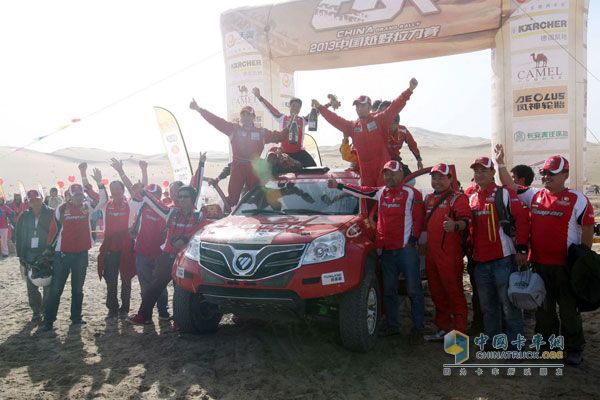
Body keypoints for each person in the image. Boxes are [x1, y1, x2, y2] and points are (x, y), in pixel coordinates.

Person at [495, 146, 595, 365]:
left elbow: (587, 230)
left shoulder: (578, 199)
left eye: (552, 173)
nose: (546, 177)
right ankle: (546, 347)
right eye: (544, 173)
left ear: (565, 175)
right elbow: (510, 186)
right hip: (539, 266)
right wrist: (500, 163)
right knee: (544, 310)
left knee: (569, 311)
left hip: (566, 268)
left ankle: (573, 348)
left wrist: (582, 263)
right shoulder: (535, 196)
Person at [327, 160, 425, 344]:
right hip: (387, 251)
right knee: (389, 290)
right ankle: (393, 326)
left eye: (392, 173)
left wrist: (413, 239)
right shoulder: (381, 192)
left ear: (401, 175)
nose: (389, 177)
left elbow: (419, 219)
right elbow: (361, 190)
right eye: (386, 173)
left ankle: (418, 326)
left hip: (406, 251)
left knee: (414, 290)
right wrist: (338, 185)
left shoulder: (412, 194)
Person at [129, 153, 210, 325]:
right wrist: (141, 190)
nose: (181, 200)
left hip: (187, 259)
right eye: (179, 197)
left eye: (185, 197)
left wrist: (201, 164)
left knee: (182, 289)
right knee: (155, 286)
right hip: (167, 256)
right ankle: (143, 315)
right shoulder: (170, 212)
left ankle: (179, 319)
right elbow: (153, 202)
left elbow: (198, 233)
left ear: (192, 199)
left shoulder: (198, 216)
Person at [468, 156, 529, 344]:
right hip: (480, 262)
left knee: (509, 307)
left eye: (483, 171)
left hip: (503, 260)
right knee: (488, 307)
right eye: (476, 171)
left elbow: (522, 220)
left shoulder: (504, 194)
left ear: (493, 173)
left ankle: (515, 346)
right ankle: (494, 342)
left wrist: (521, 249)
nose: (479, 174)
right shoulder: (472, 197)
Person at [314, 78, 418, 186]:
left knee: (383, 197)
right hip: (365, 172)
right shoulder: (352, 126)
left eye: (362, 105)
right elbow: (335, 120)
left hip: (383, 169)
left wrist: (409, 90)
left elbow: (394, 107)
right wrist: (320, 107)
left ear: (369, 107)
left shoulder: (380, 119)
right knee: (366, 199)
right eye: (357, 106)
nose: (359, 108)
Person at [189, 99, 287, 207]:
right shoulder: (233, 129)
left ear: (253, 117)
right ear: (240, 117)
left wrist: (290, 126)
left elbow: (280, 136)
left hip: (253, 167)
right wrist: (199, 109)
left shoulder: (261, 133)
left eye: (248, 114)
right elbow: (216, 121)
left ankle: (259, 215)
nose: (245, 117)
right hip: (237, 166)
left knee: (255, 197)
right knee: (232, 199)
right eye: (243, 114)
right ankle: (223, 216)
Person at [43, 171, 107, 331]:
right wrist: (48, 251)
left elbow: (103, 200)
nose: (79, 198)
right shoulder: (62, 208)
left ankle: (76, 318)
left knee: (77, 289)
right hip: (62, 255)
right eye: (75, 195)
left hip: (81, 255)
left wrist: (99, 183)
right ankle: (49, 321)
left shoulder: (86, 208)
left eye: (80, 195)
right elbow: (53, 230)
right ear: (69, 196)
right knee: (56, 289)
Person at [422, 164, 471, 340]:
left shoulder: (457, 198)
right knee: (436, 293)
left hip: (449, 255)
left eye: (442, 177)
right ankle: (443, 328)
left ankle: (459, 336)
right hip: (432, 255)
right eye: (434, 177)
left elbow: (466, 221)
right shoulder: (427, 199)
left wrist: (455, 225)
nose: (437, 181)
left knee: (454, 294)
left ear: (450, 179)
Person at [16, 190, 57, 322]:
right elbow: (19, 237)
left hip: (47, 254)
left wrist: (51, 252)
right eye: (32, 200)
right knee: (31, 286)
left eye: (37, 199)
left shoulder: (51, 213)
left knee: (48, 285)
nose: (35, 203)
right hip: (28, 255)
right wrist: (20, 257)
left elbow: (57, 233)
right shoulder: (24, 216)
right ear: (28, 202)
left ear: (42, 199)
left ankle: (46, 311)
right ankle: (36, 312)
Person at [252, 88, 316, 167]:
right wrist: (259, 97)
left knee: (314, 168)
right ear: (289, 107)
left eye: (298, 107)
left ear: (300, 109)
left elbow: (315, 112)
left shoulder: (303, 120)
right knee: (273, 170)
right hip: (284, 154)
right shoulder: (282, 118)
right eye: (293, 106)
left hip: (299, 153)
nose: (295, 108)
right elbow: (270, 108)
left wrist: (324, 105)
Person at [376, 101, 423, 170]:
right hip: (378, 161)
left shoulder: (403, 131)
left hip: (394, 160)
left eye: (392, 123)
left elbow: (412, 145)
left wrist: (419, 160)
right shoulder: (377, 129)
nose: (389, 126)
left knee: (409, 178)